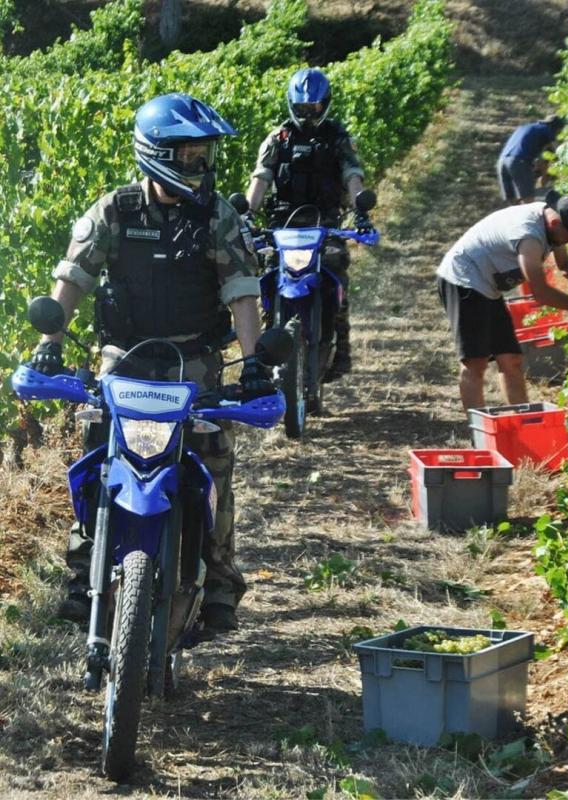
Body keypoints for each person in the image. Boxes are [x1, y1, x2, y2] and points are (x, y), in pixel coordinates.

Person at [30, 92, 274, 634]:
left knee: (214, 459)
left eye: (205, 155)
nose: (202, 166)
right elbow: (73, 277)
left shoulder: (219, 217)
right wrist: (51, 340)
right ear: (157, 153)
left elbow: (241, 294)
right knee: (98, 455)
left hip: (195, 360)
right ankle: (82, 574)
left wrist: (253, 361)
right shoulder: (114, 210)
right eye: (190, 156)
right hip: (125, 357)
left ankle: (219, 586)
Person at [245, 67, 372, 381]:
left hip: (325, 223)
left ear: (325, 104)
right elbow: (260, 179)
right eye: (302, 108)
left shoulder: (339, 137)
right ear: (291, 104)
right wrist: (247, 212)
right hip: (282, 225)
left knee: (335, 274)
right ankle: (264, 355)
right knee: (269, 278)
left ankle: (341, 348)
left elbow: (352, 175)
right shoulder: (278, 138)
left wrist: (361, 208)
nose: (308, 114)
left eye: (314, 107)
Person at [436, 193, 568, 411]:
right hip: (463, 278)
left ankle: (523, 419)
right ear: (556, 223)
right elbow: (542, 294)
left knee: (511, 359)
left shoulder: (553, 225)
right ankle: (477, 430)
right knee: (475, 362)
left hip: (489, 286)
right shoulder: (528, 236)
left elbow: (565, 266)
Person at [497, 114, 566, 204]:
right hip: (518, 161)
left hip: (502, 162)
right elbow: (559, 152)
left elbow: (540, 160)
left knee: (512, 200)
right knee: (528, 199)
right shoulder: (547, 130)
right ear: (556, 128)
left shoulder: (526, 128)